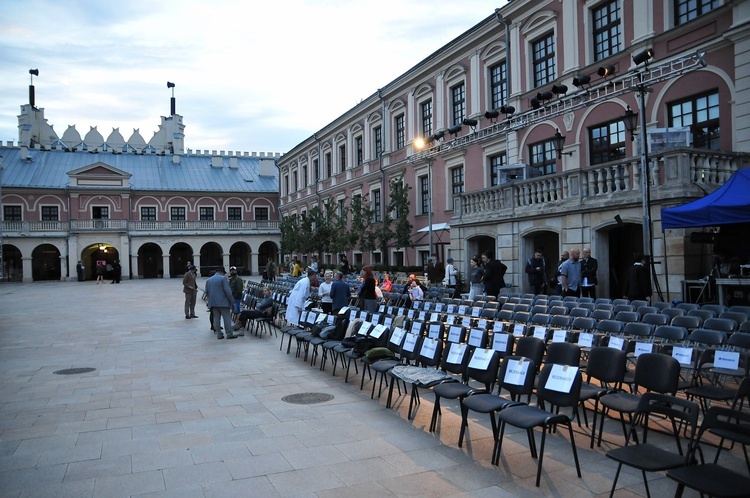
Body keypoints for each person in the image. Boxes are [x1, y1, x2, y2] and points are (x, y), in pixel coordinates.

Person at [205, 266, 237, 339]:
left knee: (216, 318)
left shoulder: (208, 280)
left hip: (213, 303)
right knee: (227, 318)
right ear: (222, 272)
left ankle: (219, 334)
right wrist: (232, 300)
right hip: (223, 302)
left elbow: (206, 292)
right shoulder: (223, 279)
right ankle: (229, 334)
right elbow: (228, 291)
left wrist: (210, 301)